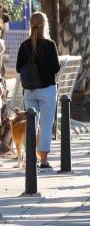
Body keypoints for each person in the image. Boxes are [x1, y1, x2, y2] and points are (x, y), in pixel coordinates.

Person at [16, 12, 61, 170]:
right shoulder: (50, 45)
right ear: (45, 25)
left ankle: (31, 160)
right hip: (47, 90)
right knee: (46, 125)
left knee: (31, 126)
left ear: (31, 25)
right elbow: (56, 67)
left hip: (29, 90)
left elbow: (17, 68)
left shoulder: (24, 45)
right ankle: (43, 161)